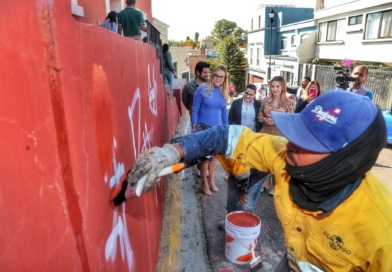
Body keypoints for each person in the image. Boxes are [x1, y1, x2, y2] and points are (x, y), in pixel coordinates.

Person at [129, 91, 391, 272]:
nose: (289, 146)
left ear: (343, 161)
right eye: (296, 133)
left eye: (306, 142)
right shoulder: (286, 156)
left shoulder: (382, 232)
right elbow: (228, 136)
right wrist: (174, 151)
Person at [220, 84, 268, 229]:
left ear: (255, 95)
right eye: (246, 93)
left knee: (246, 180)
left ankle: (245, 221)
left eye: (251, 95)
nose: (248, 96)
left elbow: (260, 123)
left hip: (253, 142)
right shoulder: (236, 103)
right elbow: (230, 121)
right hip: (238, 140)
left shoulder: (259, 105)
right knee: (235, 176)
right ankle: (230, 218)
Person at [191, 66, 229, 195]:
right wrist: (195, 127)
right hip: (203, 129)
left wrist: (227, 129)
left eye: (221, 77)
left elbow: (224, 113)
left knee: (214, 158)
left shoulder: (224, 92)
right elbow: (194, 109)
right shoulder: (202, 89)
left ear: (225, 79)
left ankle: (211, 181)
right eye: (216, 75)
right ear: (212, 76)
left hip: (217, 129)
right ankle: (204, 183)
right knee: (205, 158)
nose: (218, 79)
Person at [258, 76, 294, 196]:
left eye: (277, 86)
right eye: (273, 86)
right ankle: (263, 184)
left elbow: (290, 121)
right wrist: (265, 120)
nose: (275, 89)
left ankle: (275, 186)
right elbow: (259, 116)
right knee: (264, 160)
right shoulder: (265, 101)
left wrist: (278, 122)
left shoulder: (289, 103)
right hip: (266, 132)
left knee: (277, 161)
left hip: (280, 135)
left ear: (283, 87)